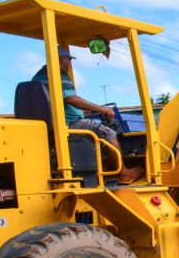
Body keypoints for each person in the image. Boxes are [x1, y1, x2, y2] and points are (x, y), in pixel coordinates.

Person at [33, 46, 143, 184]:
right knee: (109, 134)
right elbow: (71, 99)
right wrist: (102, 109)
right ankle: (123, 173)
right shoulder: (58, 74)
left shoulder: (38, 76)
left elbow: (57, 103)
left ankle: (105, 171)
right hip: (69, 124)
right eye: (69, 60)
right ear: (62, 59)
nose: (69, 64)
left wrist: (86, 111)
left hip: (51, 124)